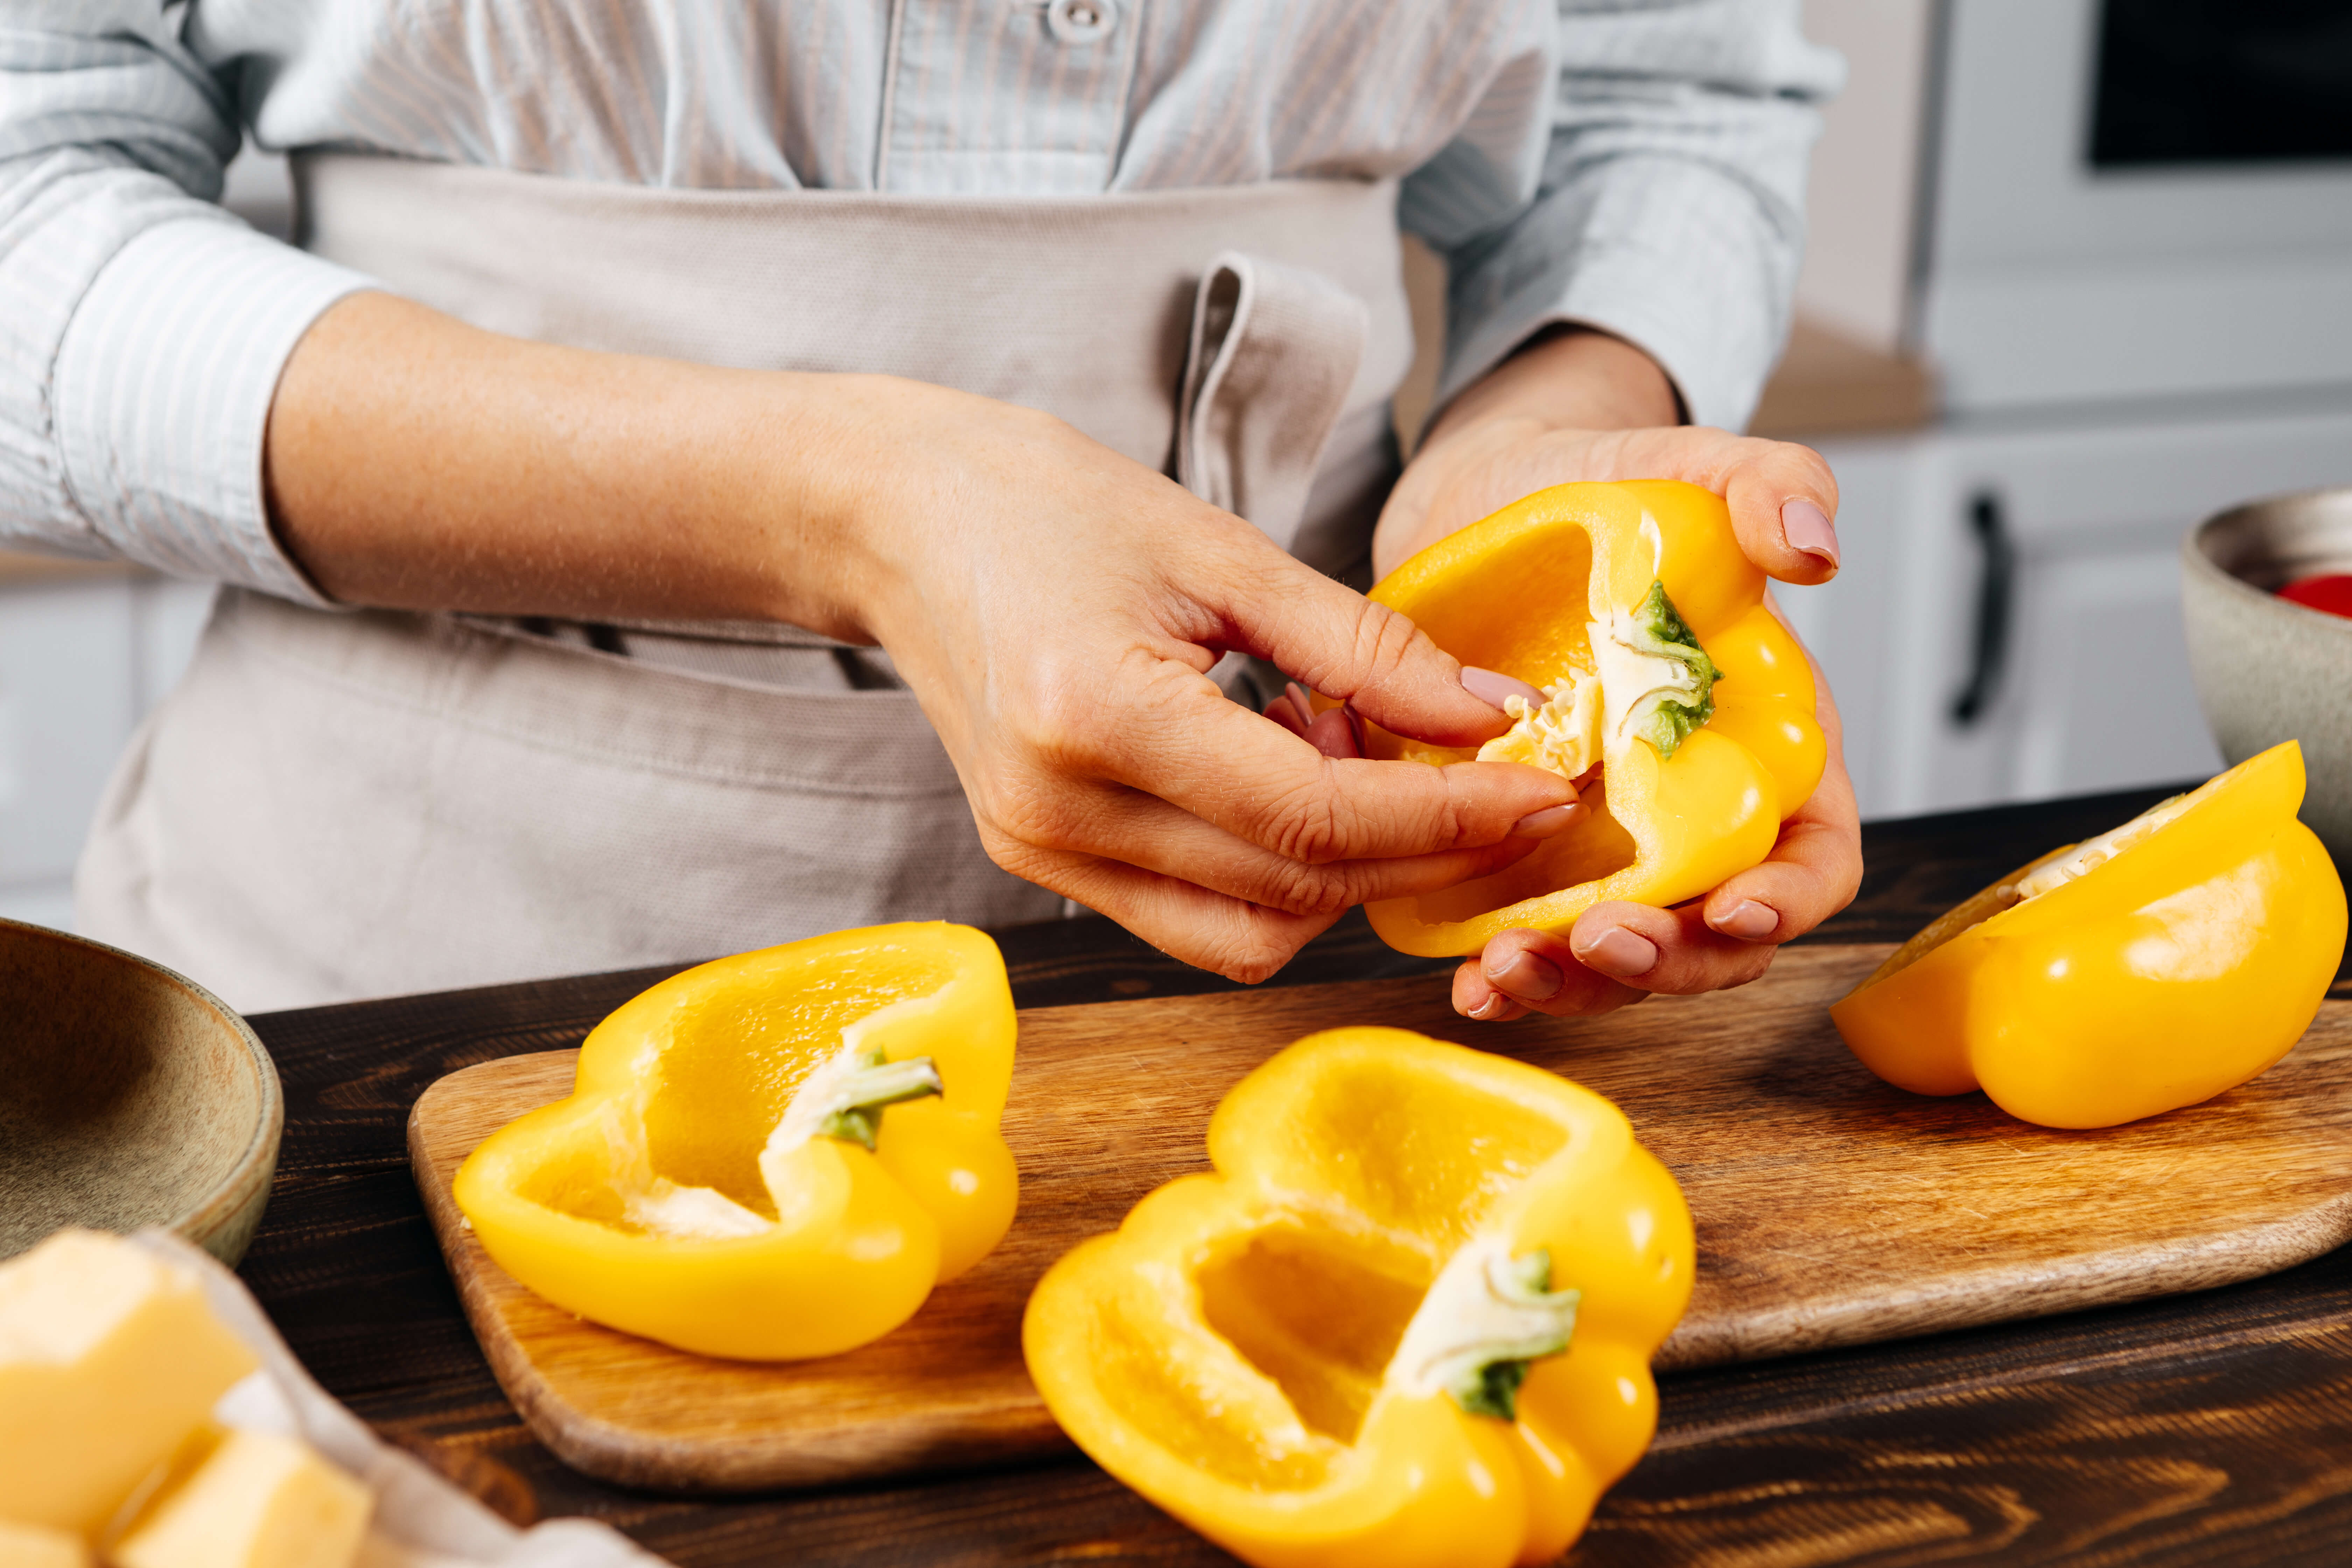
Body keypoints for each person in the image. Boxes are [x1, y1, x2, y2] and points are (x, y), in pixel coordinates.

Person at [0, 0, 1860, 1018]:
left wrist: (1538, 443)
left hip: (1331, 957)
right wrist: (846, 504)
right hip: (409, 994)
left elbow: (1664, 100)